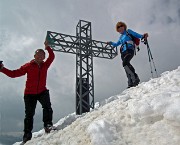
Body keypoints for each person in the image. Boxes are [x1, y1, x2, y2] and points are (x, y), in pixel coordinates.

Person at [0, 41, 55, 143]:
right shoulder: (28, 66)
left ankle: (48, 125)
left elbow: (52, 57)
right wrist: (2, 69)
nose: (39, 57)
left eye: (42, 55)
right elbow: (14, 74)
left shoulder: (45, 65)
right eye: (38, 55)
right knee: (29, 115)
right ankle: (27, 135)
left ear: (44, 57)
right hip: (29, 94)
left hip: (42, 91)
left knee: (47, 107)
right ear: (34, 56)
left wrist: (48, 47)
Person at [108, 21, 148, 88]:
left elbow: (136, 35)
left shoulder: (128, 31)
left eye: (121, 26)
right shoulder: (120, 37)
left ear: (124, 26)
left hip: (130, 49)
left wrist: (143, 36)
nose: (120, 28)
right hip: (123, 52)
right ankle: (130, 82)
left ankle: (135, 78)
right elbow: (116, 44)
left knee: (125, 63)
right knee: (125, 66)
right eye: (118, 27)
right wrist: (111, 43)